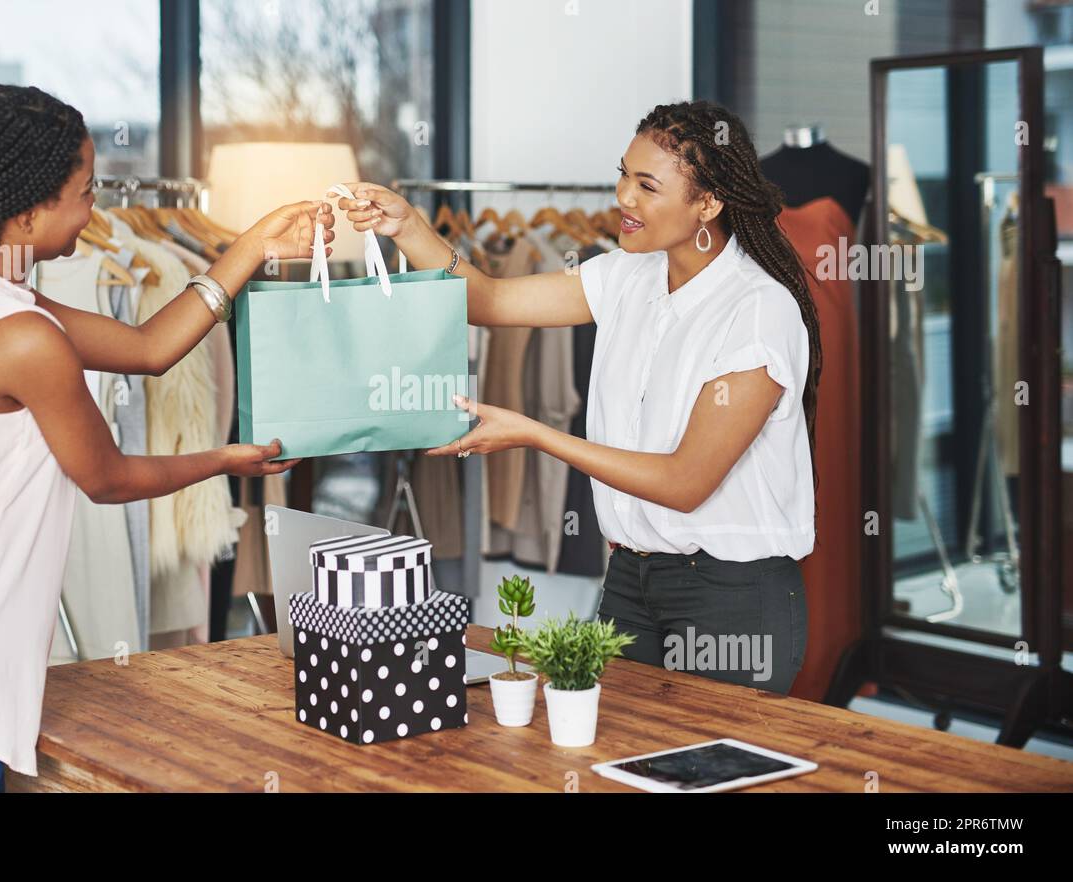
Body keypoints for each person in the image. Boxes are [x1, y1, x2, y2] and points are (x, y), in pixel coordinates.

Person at [0, 84, 335, 792]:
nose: (95, 209)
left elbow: (148, 345)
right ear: (32, 206)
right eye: (85, 191)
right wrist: (224, 461)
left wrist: (253, 245)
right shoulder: (22, 337)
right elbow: (108, 480)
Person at [337, 100, 820, 695]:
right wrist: (407, 226)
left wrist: (535, 433)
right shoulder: (626, 275)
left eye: (647, 185)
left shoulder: (756, 310)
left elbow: (685, 482)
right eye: (623, 174)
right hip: (630, 582)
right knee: (615, 765)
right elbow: (490, 301)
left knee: (708, 778)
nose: (624, 197)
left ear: (708, 203)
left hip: (731, 600)